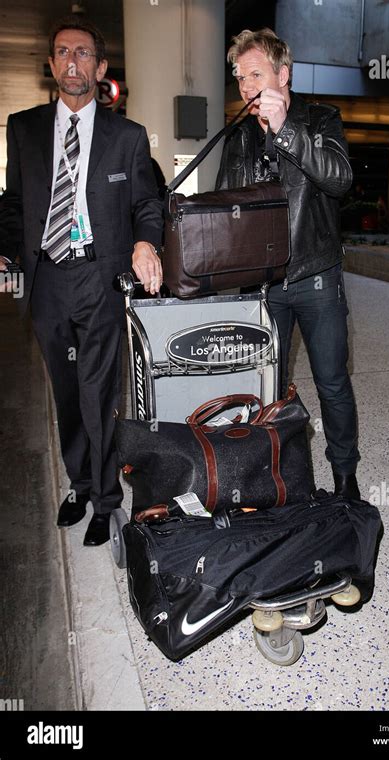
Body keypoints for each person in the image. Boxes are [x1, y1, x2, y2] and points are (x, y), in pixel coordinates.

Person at [0, 17, 163, 545]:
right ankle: (78, 483)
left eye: (84, 53)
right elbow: (14, 205)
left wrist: (145, 242)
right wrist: (5, 253)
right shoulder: (22, 129)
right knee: (66, 390)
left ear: (100, 66)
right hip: (46, 278)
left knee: (98, 391)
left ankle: (106, 498)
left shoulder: (128, 137)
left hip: (99, 276)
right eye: (64, 53)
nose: (73, 61)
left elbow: (147, 203)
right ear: (51, 65)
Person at [216, 28, 360, 499]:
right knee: (266, 387)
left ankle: (345, 475)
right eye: (239, 77)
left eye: (255, 74)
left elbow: (340, 180)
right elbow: (224, 205)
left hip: (317, 276)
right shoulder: (237, 135)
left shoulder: (321, 119)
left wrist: (288, 132)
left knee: (332, 383)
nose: (245, 85)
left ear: (283, 73)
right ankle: (276, 476)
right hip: (262, 286)